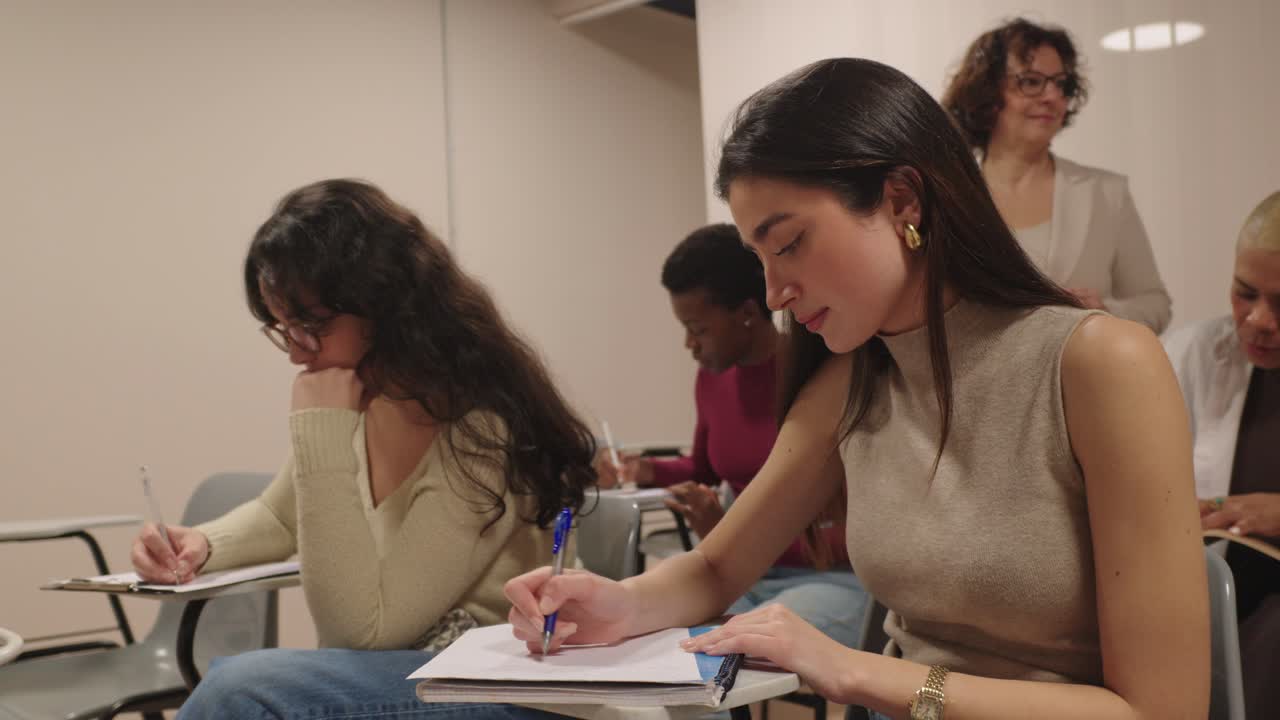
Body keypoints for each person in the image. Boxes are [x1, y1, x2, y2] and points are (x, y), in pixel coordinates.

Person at [506, 58, 1209, 720]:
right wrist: (613, 604)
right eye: (760, 259)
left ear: (902, 199)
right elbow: (718, 567)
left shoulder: (1099, 364)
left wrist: (858, 672)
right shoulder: (854, 380)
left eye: (788, 245)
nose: (776, 291)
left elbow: (1161, 709)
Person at [129, 179, 596, 719]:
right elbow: (280, 518)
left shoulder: (483, 428)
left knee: (243, 690)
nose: (296, 354)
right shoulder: (367, 398)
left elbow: (363, 633)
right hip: (415, 673)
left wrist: (319, 429)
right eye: (283, 330)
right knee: (245, 689)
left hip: (504, 685)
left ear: (383, 304)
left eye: (309, 326)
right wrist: (200, 545)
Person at [596, 223, 867, 649]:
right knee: (660, 643)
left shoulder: (822, 378)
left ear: (746, 312)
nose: (690, 344)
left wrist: (724, 531)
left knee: (724, 647)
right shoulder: (712, 380)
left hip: (830, 579)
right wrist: (645, 469)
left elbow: (839, 536)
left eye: (699, 329)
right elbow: (703, 467)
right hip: (743, 574)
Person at [941, 18, 1172, 333]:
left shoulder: (1106, 192)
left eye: (1061, 84)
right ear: (987, 92)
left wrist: (1103, 311)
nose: (1052, 97)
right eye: (1032, 81)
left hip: (1083, 377)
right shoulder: (951, 195)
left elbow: (1155, 305)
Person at [1163, 190, 1280, 719]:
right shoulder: (1190, 354)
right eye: (1244, 293)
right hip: (1208, 604)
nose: (1258, 321)